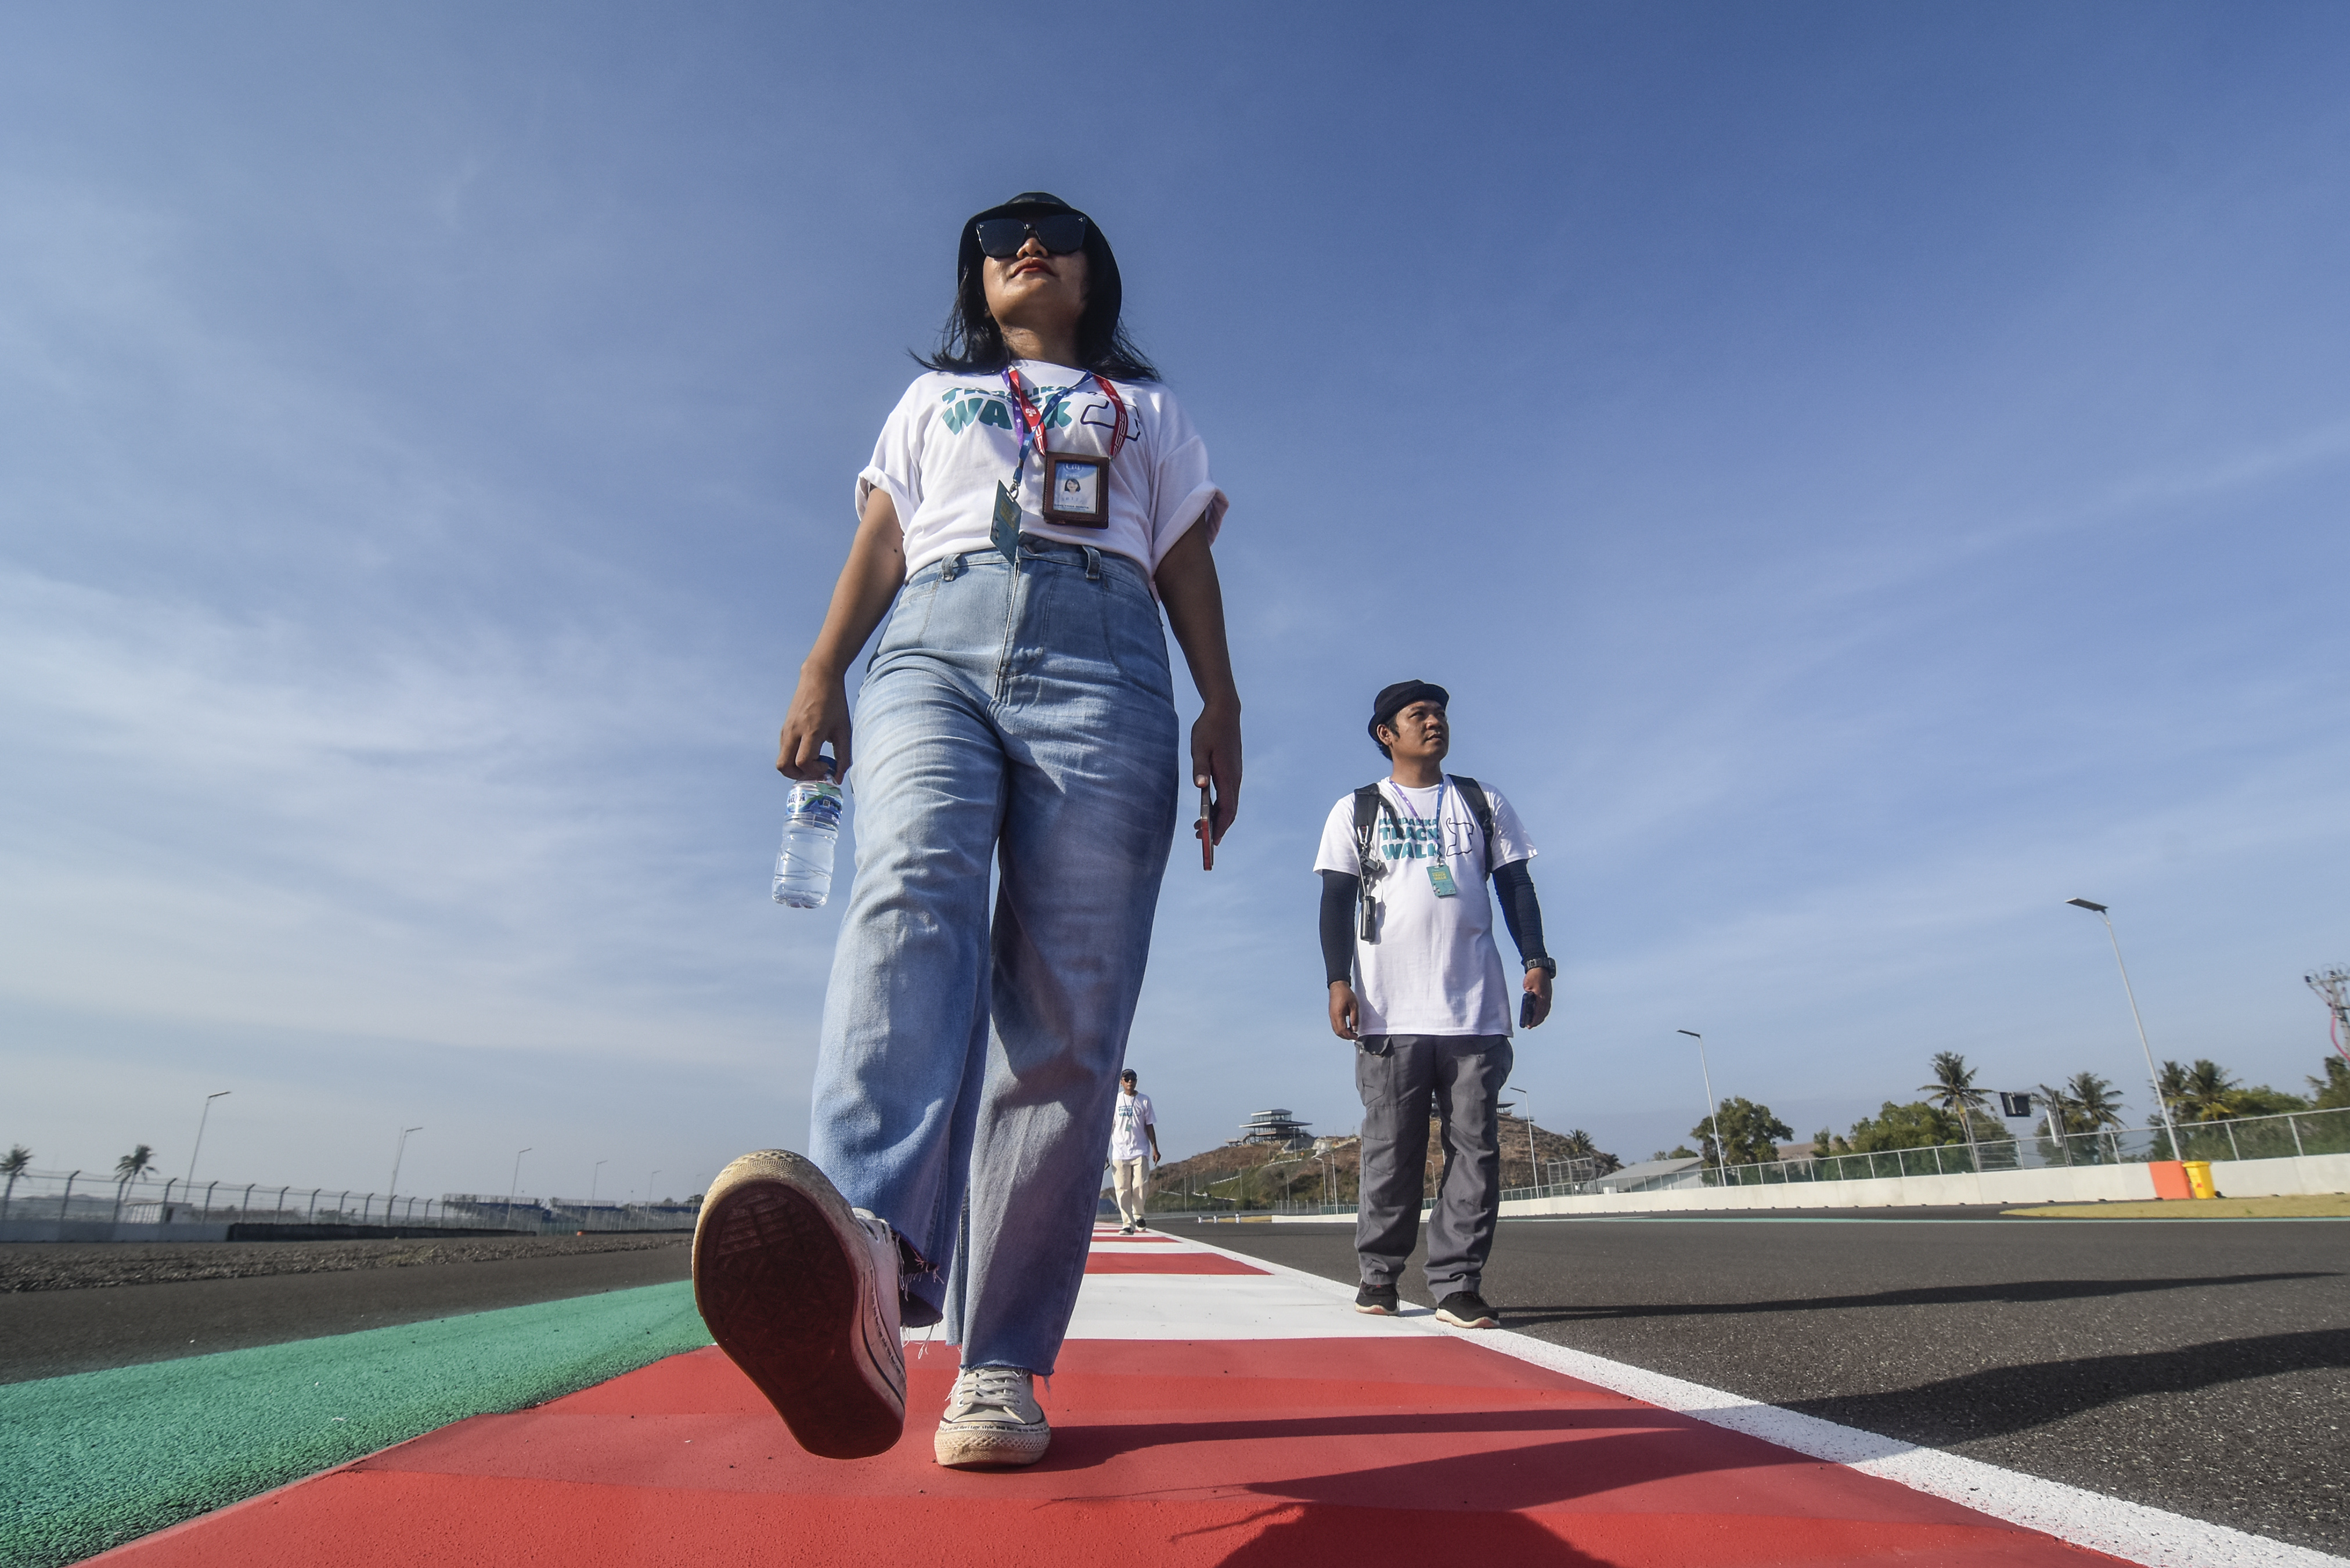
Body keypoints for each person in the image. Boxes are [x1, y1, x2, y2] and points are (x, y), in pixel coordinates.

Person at [694, 193, 1241, 1471]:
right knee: (905, 895)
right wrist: (821, 666)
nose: (1022, 245)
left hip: (1109, 660)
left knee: (1067, 1009)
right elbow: (881, 533)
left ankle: (994, 1362)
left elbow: (1184, 564)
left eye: (1051, 231)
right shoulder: (935, 400)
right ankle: (869, 1254)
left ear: (1097, 274)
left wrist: (1220, 699)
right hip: (932, 643)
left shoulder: (1147, 413)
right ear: (975, 278)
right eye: (996, 238)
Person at [1313, 680, 1553, 1329]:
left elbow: (1516, 888)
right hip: (1389, 1012)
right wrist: (1339, 981)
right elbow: (1335, 901)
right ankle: (1379, 1275)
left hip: (1475, 1009)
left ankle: (1456, 1283)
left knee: (1475, 1148)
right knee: (1391, 1149)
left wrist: (1537, 963)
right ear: (1386, 734)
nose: (1435, 720)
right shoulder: (1356, 810)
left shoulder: (1480, 801)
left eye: (1440, 711)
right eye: (1418, 714)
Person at [1106, 1067, 1160, 1233]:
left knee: (1141, 1185)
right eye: (1127, 1078)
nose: (1130, 1081)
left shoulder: (1144, 1101)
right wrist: (1103, 1153)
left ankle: (1139, 1215)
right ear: (1121, 1082)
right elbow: (1108, 1127)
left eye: (1133, 1078)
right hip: (1120, 1152)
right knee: (1122, 1189)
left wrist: (1155, 1148)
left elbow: (1149, 1125)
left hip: (1140, 1151)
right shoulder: (1115, 1101)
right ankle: (1127, 1224)